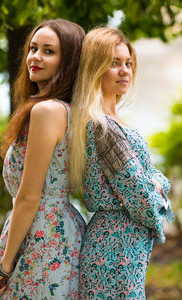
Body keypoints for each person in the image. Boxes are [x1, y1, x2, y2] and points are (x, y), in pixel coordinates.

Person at [69, 27, 175, 299]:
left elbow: (149, 179)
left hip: (123, 243)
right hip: (115, 247)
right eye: (114, 63)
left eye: (128, 63)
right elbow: (142, 198)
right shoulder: (103, 127)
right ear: (95, 67)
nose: (125, 71)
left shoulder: (114, 124)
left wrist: (155, 181)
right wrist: (158, 186)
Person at [0, 18, 86, 300]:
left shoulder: (47, 111)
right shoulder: (69, 110)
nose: (35, 57)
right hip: (60, 231)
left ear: (68, 61)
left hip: (41, 237)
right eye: (33, 48)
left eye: (49, 51)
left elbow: (29, 197)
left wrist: (5, 267)